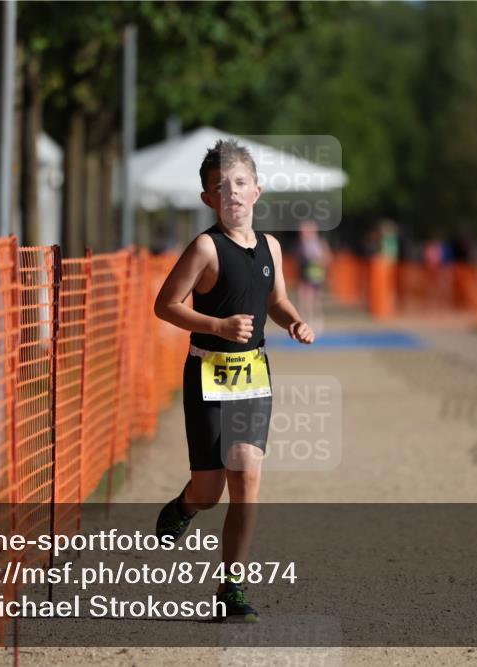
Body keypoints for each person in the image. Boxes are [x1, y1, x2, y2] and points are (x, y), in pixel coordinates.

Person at [152, 139, 315, 623]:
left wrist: (293, 320)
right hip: (206, 372)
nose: (232, 193)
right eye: (220, 187)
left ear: (258, 190)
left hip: (253, 375)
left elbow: (275, 299)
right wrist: (217, 326)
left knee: (246, 475)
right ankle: (184, 506)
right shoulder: (205, 247)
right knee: (210, 490)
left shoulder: (272, 247)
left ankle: (231, 588)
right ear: (208, 200)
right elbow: (165, 304)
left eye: (240, 183)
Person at [295, 219, 331, 335]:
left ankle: (316, 321)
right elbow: (298, 258)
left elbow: (327, 258)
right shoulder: (302, 243)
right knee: (303, 298)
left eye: (305, 230)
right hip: (304, 273)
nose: (303, 233)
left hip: (315, 274)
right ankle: (304, 321)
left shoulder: (319, 243)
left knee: (314, 300)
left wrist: (317, 260)